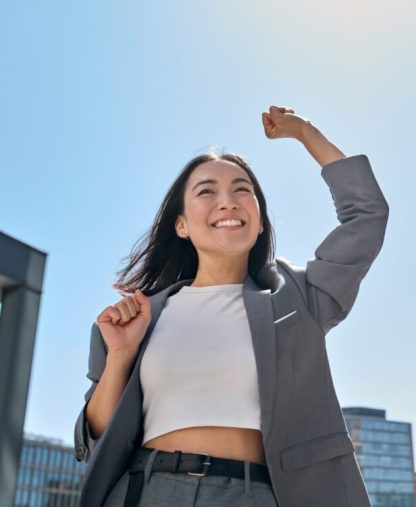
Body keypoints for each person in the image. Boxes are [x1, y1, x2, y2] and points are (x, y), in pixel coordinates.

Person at [73, 105, 389, 507]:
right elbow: (95, 436)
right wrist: (119, 356)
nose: (228, 201)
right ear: (181, 224)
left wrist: (305, 132)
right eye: (206, 191)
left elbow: (367, 215)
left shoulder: (298, 297)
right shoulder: (139, 317)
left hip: (254, 494)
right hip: (145, 489)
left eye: (243, 190)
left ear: (259, 222)